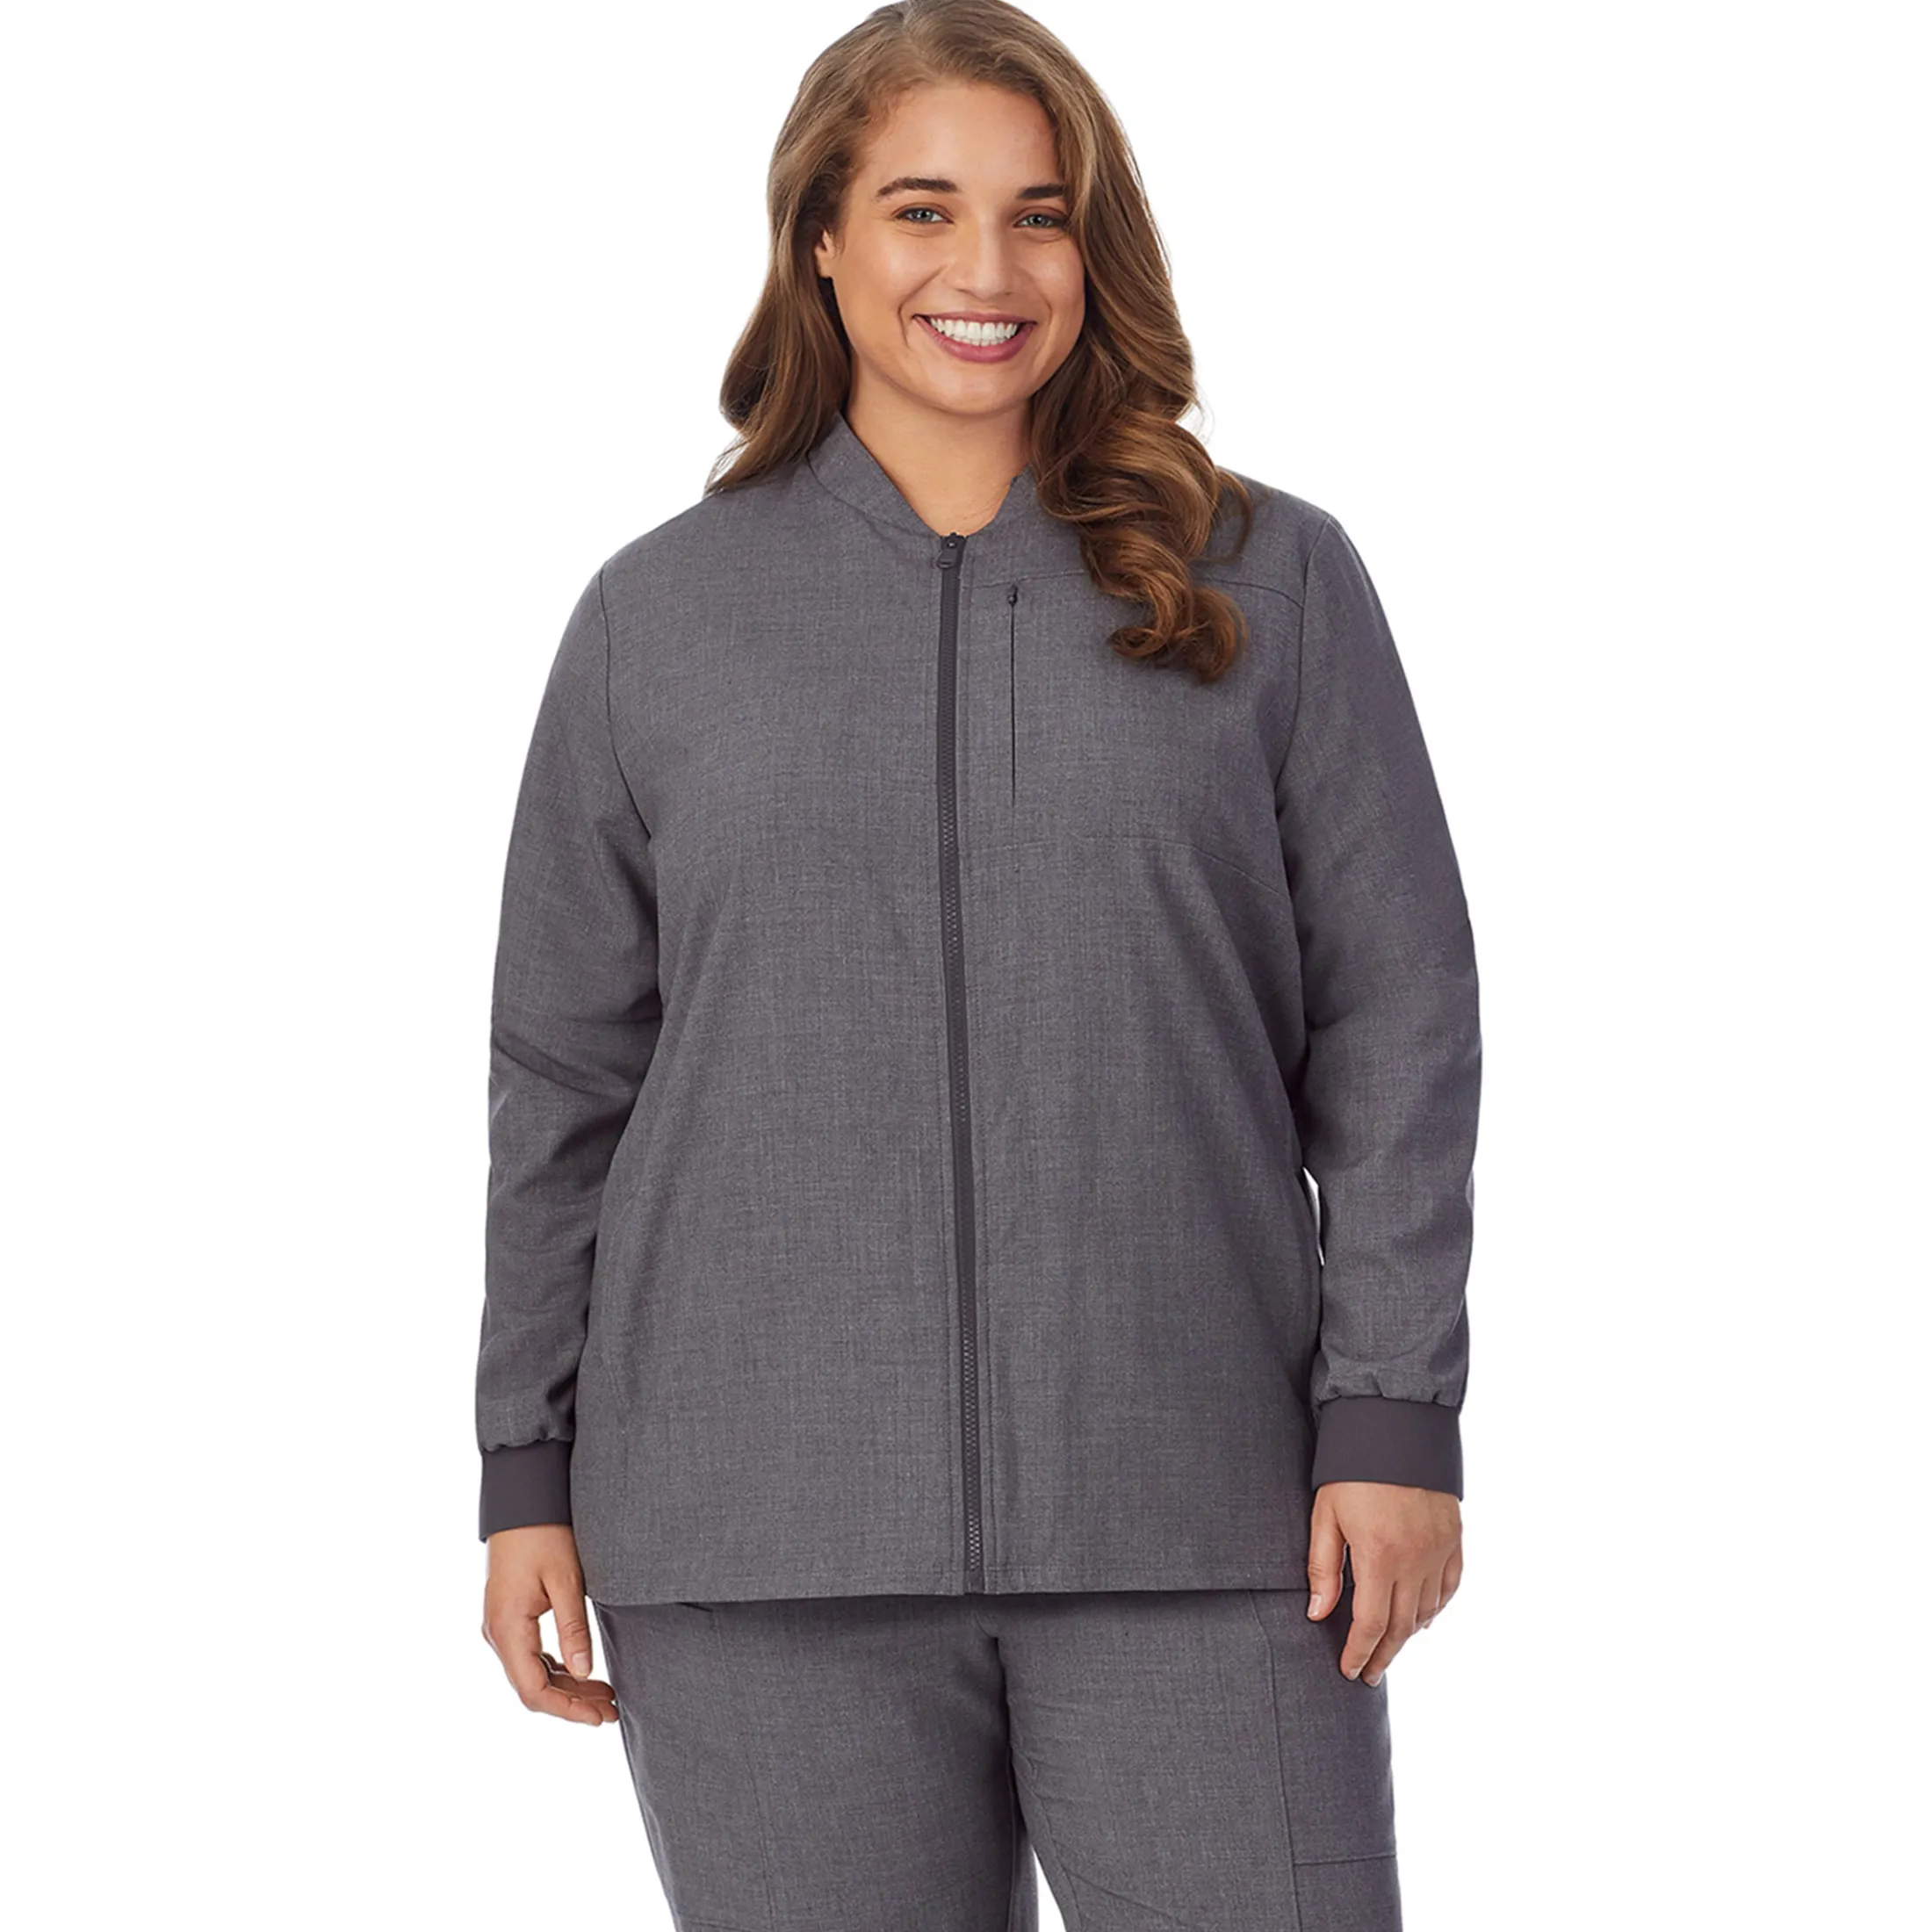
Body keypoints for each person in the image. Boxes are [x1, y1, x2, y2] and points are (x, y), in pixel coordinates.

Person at [474, 3, 1480, 1926]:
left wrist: (1391, 1415)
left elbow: (1399, 1020)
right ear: (820, 240)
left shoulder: (1266, 579)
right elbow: (563, 1080)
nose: (985, 270)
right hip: (754, 1535)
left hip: (1206, 1511)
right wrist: (527, 1463)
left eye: (1040, 214)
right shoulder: (655, 622)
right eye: (922, 209)